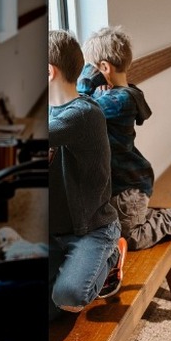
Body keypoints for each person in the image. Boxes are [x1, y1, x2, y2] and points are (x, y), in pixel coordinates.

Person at [77, 26, 171, 253]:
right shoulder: (114, 94)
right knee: (118, 227)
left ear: (104, 67)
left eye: (89, 68)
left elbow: (79, 110)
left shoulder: (120, 100)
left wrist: (84, 82)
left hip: (127, 187)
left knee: (132, 238)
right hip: (120, 184)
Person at [48, 29, 126, 321]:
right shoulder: (51, 111)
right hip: (55, 230)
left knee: (68, 297)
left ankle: (112, 253)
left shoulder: (84, 113)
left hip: (91, 229)